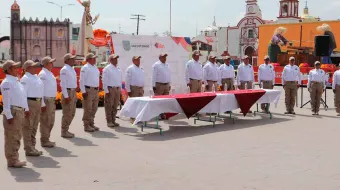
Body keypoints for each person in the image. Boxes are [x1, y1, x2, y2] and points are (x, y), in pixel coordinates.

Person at [1, 60, 28, 168]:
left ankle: (14, 158)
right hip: (13, 111)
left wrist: (25, 109)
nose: (17, 69)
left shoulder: (16, 81)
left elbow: (21, 97)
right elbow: (6, 101)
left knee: (17, 136)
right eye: (15, 68)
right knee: (11, 137)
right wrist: (9, 115)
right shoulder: (7, 82)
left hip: (18, 111)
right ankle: (12, 160)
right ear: (9, 70)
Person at [20, 60, 45, 157]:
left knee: (34, 127)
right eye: (33, 66)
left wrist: (42, 104)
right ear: (27, 68)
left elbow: (40, 91)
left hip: (37, 102)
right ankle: (28, 149)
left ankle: (33, 147)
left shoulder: (35, 77)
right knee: (28, 127)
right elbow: (23, 95)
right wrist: (26, 109)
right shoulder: (25, 79)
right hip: (30, 103)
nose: (35, 68)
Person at [38, 56, 57, 148]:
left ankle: (47, 138)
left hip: (51, 100)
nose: (52, 64)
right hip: (46, 100)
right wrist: (42, 103)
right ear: (45, 64)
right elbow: (40, 90)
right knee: (45, 121)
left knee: (51, 121)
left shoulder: (49, 73)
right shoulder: (43, 74)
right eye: (50, 62)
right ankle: (44, 140)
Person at [80, 53, 100, 132]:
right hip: (88, 90)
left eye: (95, 58)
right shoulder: (85, 68)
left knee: (94, 108)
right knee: (88, 108)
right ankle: (86, 125)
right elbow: (81, 80)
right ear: (88, 59)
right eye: (93, 58)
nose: (95, 59)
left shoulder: (95, 67)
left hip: (95, 90)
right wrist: (83, 91)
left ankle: (91, 123)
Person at [60, 53, 77, 138]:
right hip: (68, 92)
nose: (73, 60)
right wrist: (66, 96)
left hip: (73, 92)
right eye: (71, 59)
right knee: (67, 112)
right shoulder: (64, 70)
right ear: (66, 61)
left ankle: (66, 129)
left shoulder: (71, 69)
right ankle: (64, 131)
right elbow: (63, 84)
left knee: (72, 112)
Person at [102, 54, 122, 127]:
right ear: (110, 60)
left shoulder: (118, 68)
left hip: (117, 88)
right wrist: (106, 90)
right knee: (109, 105)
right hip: (110, 88)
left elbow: (120, 80)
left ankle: (113, 120)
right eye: (114, 59)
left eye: (116, 58)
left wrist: (120, 89)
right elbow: (104, 80)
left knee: (115, 105)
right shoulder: (107, 68)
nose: (116, 60)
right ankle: (109, 121)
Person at [126, 56, 145, 123]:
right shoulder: (130, 68)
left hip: (140, 88)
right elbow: (127, 80)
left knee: (140, 104)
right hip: (134, 88)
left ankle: (138, 118)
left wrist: (143, 88)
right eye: (137, 60)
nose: (139, 61)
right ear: (133, 61)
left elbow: (142, 79)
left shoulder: (141, 68)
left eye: (139, 60)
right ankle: (132, 118)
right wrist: (128, 90)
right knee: (134, 104)